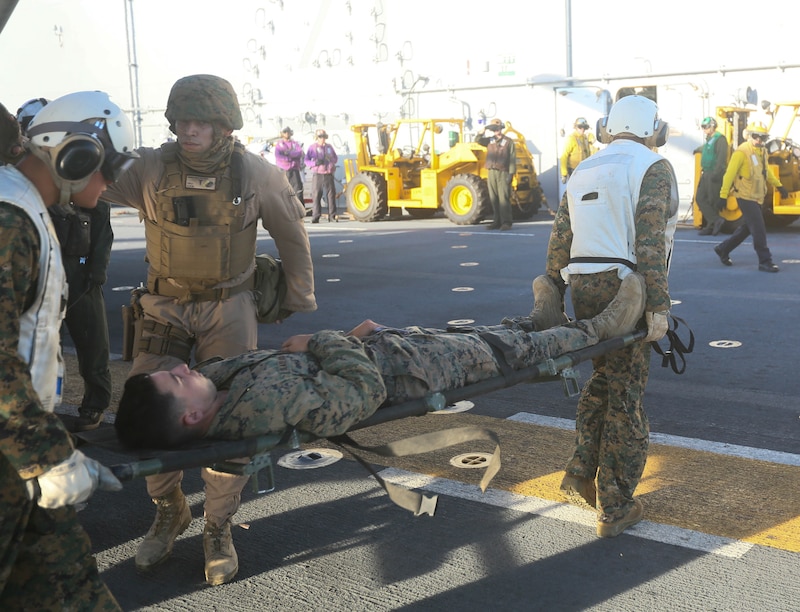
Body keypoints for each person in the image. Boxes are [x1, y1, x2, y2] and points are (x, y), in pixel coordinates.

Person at [101, 73, 318, 586]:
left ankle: (218, 526)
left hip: (229, 306)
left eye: (201, 120)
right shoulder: (149, 167)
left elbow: (291, 233)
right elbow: (89, 181)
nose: (189, 129)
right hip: (163, 305)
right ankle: (170, 508)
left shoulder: (257, 174)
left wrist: (296, 296)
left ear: (224, 125)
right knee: (148, 411)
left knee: (230, 418)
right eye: (182, 119)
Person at [114, 278, 645, 449]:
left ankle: (537, 318)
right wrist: (328, 340)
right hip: (409, 372)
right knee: (504, 354)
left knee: (490, 336)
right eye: (179, 380)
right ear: (190, 417)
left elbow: (293, 360)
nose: (187, 369)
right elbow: (361, 391)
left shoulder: (225, 389)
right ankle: (604, 327)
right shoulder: (263, 411)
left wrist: (338, 340)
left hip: (390, 351)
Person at [1, 90, 135, 611]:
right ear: (74, 154)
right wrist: (47, 458)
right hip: (20, 457)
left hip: (20, 457)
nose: (108, 185)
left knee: (75, 593)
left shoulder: (31, 210)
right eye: (106, 168)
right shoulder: (10, 218)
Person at [540, 94, 679, 538]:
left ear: (608, 127)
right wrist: (658, 305)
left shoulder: (584, 167)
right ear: (655, 130)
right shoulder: (652, 167)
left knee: (602, 378)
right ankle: (616, 504)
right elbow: (651, 241)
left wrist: (553, 291)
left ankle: (580, 469)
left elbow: (561, 235)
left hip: (582, 287)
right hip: (626, 288)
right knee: (627, 393)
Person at [17, 98, 115, 433]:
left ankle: (94, 406)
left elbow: (103, 234)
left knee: (93, 345)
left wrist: (95, 275)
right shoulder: (21, 202)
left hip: (80, 273)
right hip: (48, 272)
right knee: (42, 344)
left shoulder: (83, 190)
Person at [713, 122, 784, 272]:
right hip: (744, 196)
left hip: (757, 196)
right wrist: (723, 195)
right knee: (758, 228)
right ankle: (765, 261)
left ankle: (723, 248)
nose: (759, 140)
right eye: (756, 136)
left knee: (748, 227)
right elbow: (729, 175)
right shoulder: (741, 152)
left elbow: (767, 172)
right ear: (750, 136)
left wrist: (779, 186)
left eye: (762, 137)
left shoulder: (762, 151)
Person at [694, 116, 729, 236]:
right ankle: (715, 220)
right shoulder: (710, 139)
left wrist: (717, 172)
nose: (704, 129)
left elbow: (721, 157)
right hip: (706, 172)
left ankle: (711, 225)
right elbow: (706, 148)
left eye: (706, 127)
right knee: (700, 198)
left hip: (714, 173)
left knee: (712, 199)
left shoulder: (720, 139)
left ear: (713, 126)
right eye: (703, 127)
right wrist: (697, 149)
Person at [480, 122, 517, 230]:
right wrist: (482, 131)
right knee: (493, 198)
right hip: (491, 172)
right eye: (495, 129)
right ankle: (496, 221)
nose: (497, 131)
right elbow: (478, 140)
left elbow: (512, 159)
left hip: (503, 172)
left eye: (499, 129)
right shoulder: (490, 140)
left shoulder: (508, 142)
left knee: (503, 198)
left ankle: (506, 222)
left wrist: (511, 174)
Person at [305, 129, 338, 223]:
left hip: (328, 173)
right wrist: (314, 163)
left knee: (331, 195)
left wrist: (331, 163)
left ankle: (332, 215)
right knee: (316, 195)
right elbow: (306, 160)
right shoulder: (312, 147)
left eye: (323, 137)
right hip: (318, 174)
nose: (322, 139)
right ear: (317, 138)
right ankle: (316, 216)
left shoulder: (329, 147)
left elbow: (335, 158)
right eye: (320, 137)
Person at [274, 126, 305, 207]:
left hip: (294, 169)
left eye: (288, 132)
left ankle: (299, 208)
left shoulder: (295, 144)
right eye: (285, 132)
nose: (287, 133)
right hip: (283, 170)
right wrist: (289, 158)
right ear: (282, 134)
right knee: (283, 189)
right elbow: (278, 156)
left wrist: (288, 153)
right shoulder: (279, 145)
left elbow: (299, 153)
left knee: (298, 189)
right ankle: (284, 209)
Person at [560, 117, 594, 185]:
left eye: (584, 127)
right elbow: (564, 156)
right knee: (575, 192)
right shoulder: (571, 138)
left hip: (584, 170)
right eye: (580, 127)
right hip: (574, 171)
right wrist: (564, 174)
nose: (582, 129)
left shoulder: (585, 138)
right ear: (575, 127)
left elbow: (588, 154)